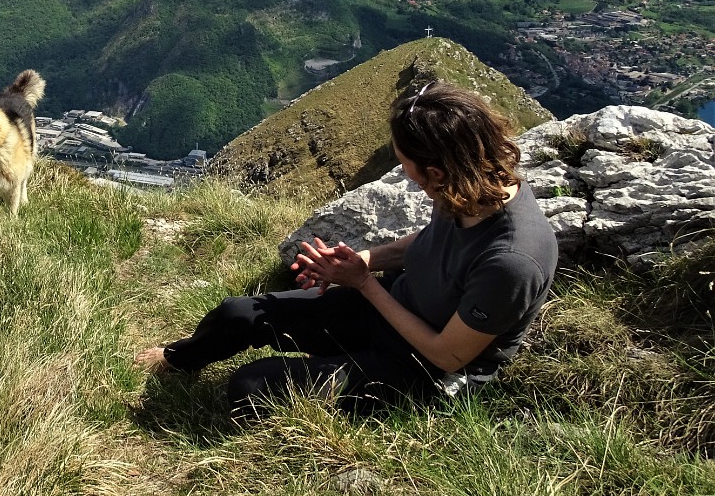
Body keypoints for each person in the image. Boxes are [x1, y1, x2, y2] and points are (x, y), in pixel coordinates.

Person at [134, 80, 558, 415]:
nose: (404, 174)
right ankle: (177, 359)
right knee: (239, 314)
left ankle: (344, 372)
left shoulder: (512, 261)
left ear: (437, 171)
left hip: (420, 373)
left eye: (405, 165)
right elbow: (431, 244)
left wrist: (364, 285)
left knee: (250, 388)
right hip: (389, 313)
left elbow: (448, 355)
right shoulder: (469, 191)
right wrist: (362, 263)